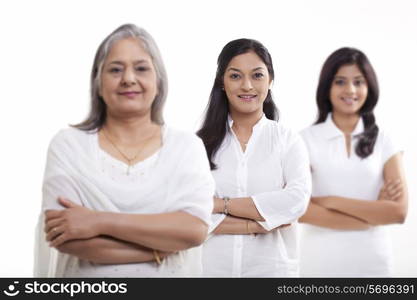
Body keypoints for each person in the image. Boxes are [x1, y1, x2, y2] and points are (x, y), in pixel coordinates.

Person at [34, 24, 215, 277]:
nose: (128, 78)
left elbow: (193, 230)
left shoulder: (186, 147)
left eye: (141, 68)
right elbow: (65, 237)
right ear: (98, 82)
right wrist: (158, 248)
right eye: (115, 69)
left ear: (158, 80)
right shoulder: (69, 145)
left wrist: (97, 221)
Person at [197, 39, 311, 277]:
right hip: (212, 271)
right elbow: (191, 211)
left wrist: (221, 204)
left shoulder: (288, 141)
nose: (247, 86)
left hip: (272, 272)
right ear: (222, 82)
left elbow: (296, 202)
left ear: (270, 80)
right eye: (236, 76)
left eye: (257, 75)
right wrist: (257, 224)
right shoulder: (198, 145)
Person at [299, 47, 408, 277]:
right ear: (327, 86)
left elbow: (398, 212)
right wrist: (371, 215)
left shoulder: (384, 140)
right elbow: (300, 210)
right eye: (340, 81)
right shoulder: (305, 140)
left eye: (358, 82)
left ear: (369, 87)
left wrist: (328, 200)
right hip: (319, 265)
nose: (350, 90)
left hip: (373, 265)